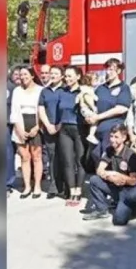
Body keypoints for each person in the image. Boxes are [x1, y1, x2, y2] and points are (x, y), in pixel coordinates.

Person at [83, 124, 136, 223]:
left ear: (124, 138)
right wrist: (111, 177)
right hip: (114, 185)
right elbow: (99, 170)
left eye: (116, 137)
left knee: (120, 219)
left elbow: (134, 181)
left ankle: (131, 207)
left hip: (127, 190)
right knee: (94, 180)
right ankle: (101, 210)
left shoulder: (131, 155)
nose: (112, 140)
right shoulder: (109, 150)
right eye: (111, 136)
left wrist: (118, 176)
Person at [9, 66, 44, 199]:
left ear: (32, 76)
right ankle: (27, 186)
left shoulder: (40, 90)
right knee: (24, 157)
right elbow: (14, 111)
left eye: (25, 74)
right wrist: (19, 129)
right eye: (21, 75)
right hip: (20, 124)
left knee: (36, 156)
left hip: (35, 124)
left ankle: (37, 186)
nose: (23, 77)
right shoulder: (17, 91)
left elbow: (42, 111)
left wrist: (37, 127)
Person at [88, 58, 132, 160]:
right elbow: (93, 106)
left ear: (119, 71)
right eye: (108, 69)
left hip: (112, 133)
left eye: (112, 69)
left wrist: (98, 117)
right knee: (96, 159)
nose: (109, 72)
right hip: (97, 133)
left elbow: (122, 108)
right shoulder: (100, 88)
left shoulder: (124, 88)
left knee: (108, 161)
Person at [56, 66, 88, 206]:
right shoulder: (62, 92)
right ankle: (71, 190)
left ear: (78, 77)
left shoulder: (84, 91)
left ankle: (79, 191)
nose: (67, 79)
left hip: (79, 128)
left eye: (70, 76)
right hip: (65, 130)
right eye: (66, 76)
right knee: (67, 161)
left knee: (80, 161)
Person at [37, 65, 65, 199]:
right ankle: (54, 186)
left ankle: (66, 186)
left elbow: (67, 109)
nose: (52, 75)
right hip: (49, 129)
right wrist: (48, 125)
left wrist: (59, 125)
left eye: (55, 73)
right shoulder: (45, 91)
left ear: (61, 76)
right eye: (51, 73)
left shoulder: (65, 90)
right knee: (52, 157)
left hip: (63, 129)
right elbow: (41, 109)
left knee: (65, 157)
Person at [77, 73, 100, 145]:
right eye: (95, 80)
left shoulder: (82, 88)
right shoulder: (89, 90)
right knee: (95, 119)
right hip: (87, 109)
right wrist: (94, 107)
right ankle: (91, 135)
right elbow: (88, 98)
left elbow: (78, 98)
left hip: (83, 109)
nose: (97, 82)